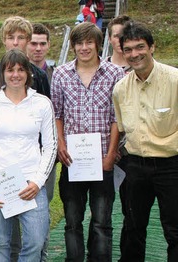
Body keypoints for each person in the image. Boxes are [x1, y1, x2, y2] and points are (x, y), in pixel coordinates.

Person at [0, 49, 57, 261]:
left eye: (21, 70)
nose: (15, 75)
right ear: (3, 73)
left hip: (31, 182)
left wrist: (38, 182)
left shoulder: (42, 103)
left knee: (36, 242)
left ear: (28, 73)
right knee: (0, 243)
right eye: (10, 70)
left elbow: (50, 146)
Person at [52, 22, 124, 262]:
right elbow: (58, 114)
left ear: (97, 44)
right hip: (73, 161)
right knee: (72, 221)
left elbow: (117, 117)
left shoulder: (114, 73)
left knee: (102, 221)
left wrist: (111, 155)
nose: (84, 48)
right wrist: (61, 144)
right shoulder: (61, 74)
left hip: (102, 159)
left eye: (89, 42)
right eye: (79, 43)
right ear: (73, 46)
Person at [113, 21, 178, 262]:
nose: (134, 54)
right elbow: (122, 128)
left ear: (152, 47)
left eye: (140, 47)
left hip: (171, 166)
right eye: (128, 49)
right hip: (135, 166)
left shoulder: (174, 80)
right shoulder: (120, 89)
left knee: (174, 230)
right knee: (132, 228)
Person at [26, 22, 57, 262]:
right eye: (33, 43)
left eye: (42, 43)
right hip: (19, 154)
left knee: (41, 208)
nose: (37, 48)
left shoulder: (57, 74)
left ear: (48, 45)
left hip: (45, 154)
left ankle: (42, 255)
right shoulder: (14, 71)